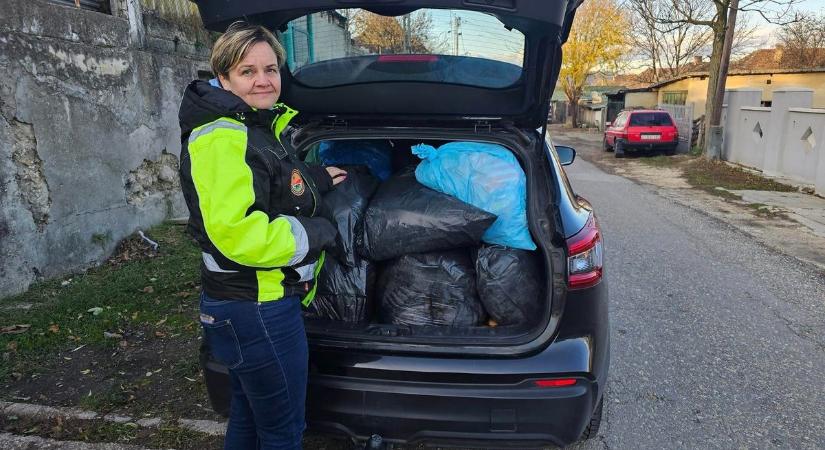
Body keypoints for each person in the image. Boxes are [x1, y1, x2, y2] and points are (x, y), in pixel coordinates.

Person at [177, 21, 346, 449]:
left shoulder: (251, 125)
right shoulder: (222, 136)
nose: (263, 81)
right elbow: (238, 233)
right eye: (247, 71)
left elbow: (272, 182)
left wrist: (317, 178)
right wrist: (318, 232)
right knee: (282, 432)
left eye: (270, 69)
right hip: (257, 308)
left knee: (250, 419)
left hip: (246, 305)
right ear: (223, 77)